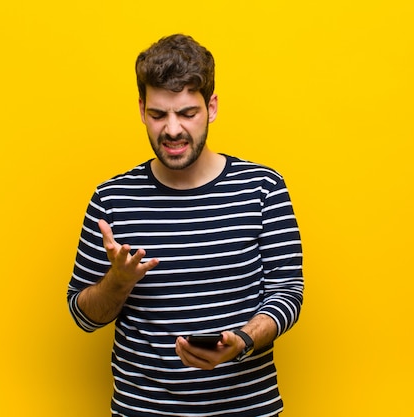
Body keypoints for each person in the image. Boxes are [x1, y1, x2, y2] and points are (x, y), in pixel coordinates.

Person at [67, 33, 304, 417]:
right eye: (158, 114)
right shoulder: (111, 199)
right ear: (142, 109)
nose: (173, 130)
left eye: (187, 113)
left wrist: (242, 340)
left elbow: (288, 291)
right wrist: (118, 281)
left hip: (247, 409)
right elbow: (82, 315)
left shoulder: (263, 188)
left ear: (211, 107)